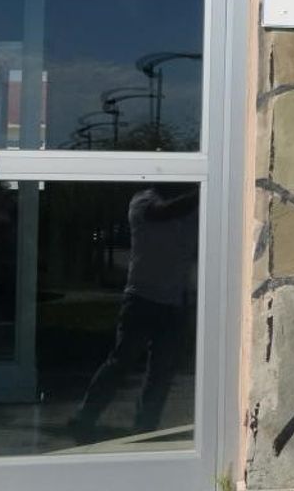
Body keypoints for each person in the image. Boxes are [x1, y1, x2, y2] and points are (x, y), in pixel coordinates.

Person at [69, 183, 197, 443]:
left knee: (161, 371)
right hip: (141, 298)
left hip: (174, 302)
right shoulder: (143, 201)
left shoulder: (192, 208)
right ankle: (85, 416)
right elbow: (164, 212)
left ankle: (146, 427)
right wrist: (204, 190)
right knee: (121, 361)